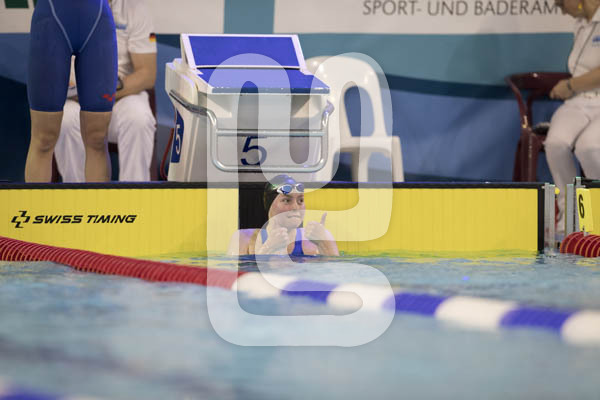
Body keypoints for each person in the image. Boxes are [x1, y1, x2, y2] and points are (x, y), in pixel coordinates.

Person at [54, 0, 157, 182]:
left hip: (120, 96)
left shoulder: (135, 9)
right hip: (77, 99)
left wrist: (101, 92)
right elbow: (52, 69)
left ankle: (135, 195)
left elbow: (147, 74)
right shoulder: (61, 9)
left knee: (139, 119)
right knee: (65, 121)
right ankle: (77, 194)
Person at [25, 0, 117, 182]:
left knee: (97, 137)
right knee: (44, 138)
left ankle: (98, 201)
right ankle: (35, 201)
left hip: (97, 20)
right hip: (51, 19)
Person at [547, 0, 600, 236]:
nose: (561, 9)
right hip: (579, 101)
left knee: (589, 147)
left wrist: (569, 85)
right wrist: (572, 88)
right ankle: (569, 220)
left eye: (561, 3)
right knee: (556, 143)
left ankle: (596, 216)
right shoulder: (580, 24)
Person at [227, 175, 339, 256]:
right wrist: (269, 247)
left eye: (300, 200)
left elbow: (335, 273)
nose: (295, 207)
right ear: (269, 204)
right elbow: (234, 276)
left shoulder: (319, 237)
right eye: (286, 200)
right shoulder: (244, 238)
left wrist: (324, 244)